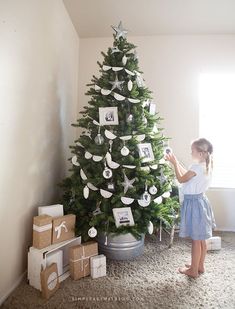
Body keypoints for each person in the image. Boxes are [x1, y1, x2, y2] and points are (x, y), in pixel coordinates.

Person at [165, 138, 216, 278]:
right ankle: (199, 265)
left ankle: (193, 271)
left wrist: (174, 164)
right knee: (201, 239)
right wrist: (177, 163)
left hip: (194, 205)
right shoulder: (205, 165)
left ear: (200, 153)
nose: (190, 152)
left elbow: (181, 179)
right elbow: (187, 175)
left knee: (195, 239)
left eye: (192, 150)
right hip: (201, 202)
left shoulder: (196, 168)